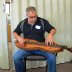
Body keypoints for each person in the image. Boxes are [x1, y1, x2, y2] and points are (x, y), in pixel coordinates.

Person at [13, 6, 56, 72]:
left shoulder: (42, 21)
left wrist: (50, 35)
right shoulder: (22, 23)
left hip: (41, 47)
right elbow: (14, 33)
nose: (34, 19)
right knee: (16, 57)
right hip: (26, 48)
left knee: (52, 57)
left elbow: (53, 29)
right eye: (31, 17)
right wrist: (19, 38)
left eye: (35, 16)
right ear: (27, 15)